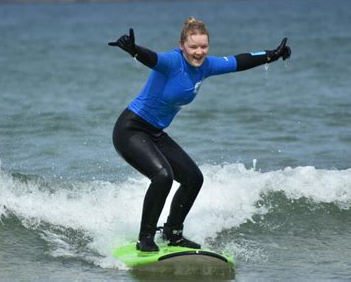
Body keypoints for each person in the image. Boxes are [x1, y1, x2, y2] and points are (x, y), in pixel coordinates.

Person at [109, 17, 291, 252]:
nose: (199, 52)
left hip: (154, 132)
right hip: (130, 129)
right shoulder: (172, 62)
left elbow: (239, 61)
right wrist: (134, 50)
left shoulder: (206, 66)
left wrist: (272, 55)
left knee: (193, 179)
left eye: (203, 46)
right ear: (182, 45)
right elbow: (152, 58)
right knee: (163, 176)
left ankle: (172, 234)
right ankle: (144, 239)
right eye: (193, 46)